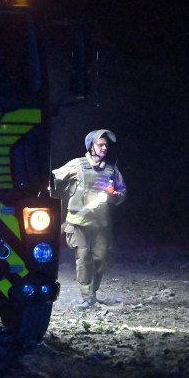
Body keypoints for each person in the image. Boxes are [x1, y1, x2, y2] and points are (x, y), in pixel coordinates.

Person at [50, 129, 127, 308]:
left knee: (100, 260)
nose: (104, 148)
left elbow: (122, 193)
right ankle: (87, 298)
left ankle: (93, 294)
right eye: (100, 144)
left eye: (106, 145)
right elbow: (53, 177)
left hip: (100, 225)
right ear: (91, 146)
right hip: (77, 223)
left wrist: (114, 194)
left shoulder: (111, 170)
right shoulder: (78, 165)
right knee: (83, 257)